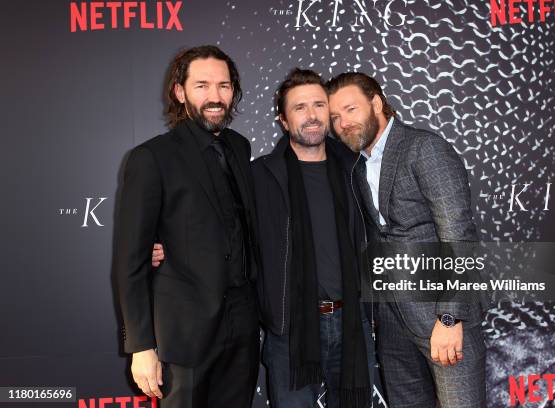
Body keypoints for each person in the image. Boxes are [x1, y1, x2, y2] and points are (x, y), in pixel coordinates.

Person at [153, 68, 376, 408]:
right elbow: (218, 224)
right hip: (289, 329)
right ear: (283, 120)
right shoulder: (259, 175)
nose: (312, 115)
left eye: (319, 105)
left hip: (352, 325)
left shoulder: (356, 169)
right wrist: (168, 246)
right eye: (299, 107)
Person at [326, 72, 488, 408]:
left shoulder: (424, 149)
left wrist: (450, 318)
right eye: (335, 117)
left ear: (376, 103)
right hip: (393, 323)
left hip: (441, 320)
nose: (342, 123)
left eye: (350, 110)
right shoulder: (358, 167)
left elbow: (458, 236)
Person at [113, 45, 259, 407]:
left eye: (224, 86)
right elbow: (130, 261)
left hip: (242, 328)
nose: (215, 96)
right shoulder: (152, 157)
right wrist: (141, 346)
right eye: (202, 85)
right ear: (180, 92)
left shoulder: (240, 147)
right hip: (185, 333)